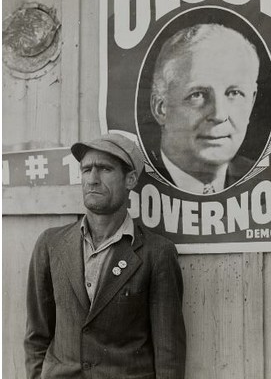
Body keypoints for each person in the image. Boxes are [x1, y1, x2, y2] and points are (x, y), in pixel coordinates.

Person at [24, 132, 186, 379]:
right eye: (86, 169)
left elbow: (169, 352)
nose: (92, 179)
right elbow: (37, 336)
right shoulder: (51, 244)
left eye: (104, 169)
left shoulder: (157, 252)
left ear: (130, 179)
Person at [150, 23, 260, 194]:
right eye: (197, 95)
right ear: (161, 108)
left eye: (234, 93)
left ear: (251, 102)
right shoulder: (128, 182)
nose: (219, 114)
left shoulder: (267, 180)